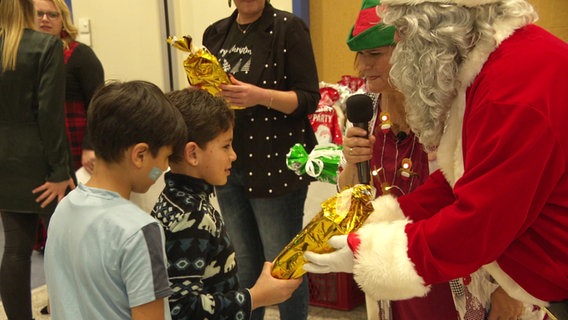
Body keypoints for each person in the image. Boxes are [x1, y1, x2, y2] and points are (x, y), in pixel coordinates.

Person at [304, 0, 568, 319]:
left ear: (432, 29)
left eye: (402, 35)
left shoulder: (510, 89)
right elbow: (458, 177)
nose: (363, 65)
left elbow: (481, 222)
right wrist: (385, 220)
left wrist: (375, 253)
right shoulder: (490, 66)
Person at [338, 1, 458, 319]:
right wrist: (352, 162)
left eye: (374, 55)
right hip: (390, 265)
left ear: (410, 52)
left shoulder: (449, 110)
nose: (362, 67)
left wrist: (503, 289)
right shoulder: (366, 110)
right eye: (360, 56)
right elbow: (352, 197)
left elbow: (492, 199)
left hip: (447, 265)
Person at [202, 1, 320, 319]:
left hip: (278, 166)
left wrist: (260, 96)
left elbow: (309, 99)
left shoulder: (289, 28)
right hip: (229, 164)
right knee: (243, 265)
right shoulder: (215, 34)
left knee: (282, 268)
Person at [151, 89, 302, 319]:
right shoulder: (190, 217)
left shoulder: (178, 199)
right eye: (226, 146)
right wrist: (257, 296)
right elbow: (181, 309)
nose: (233, 155)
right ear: (193, 153)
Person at [44, 80, 188, 320]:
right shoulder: (140, 231)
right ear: (140, 155)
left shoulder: (64, 208)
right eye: (165, 157)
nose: (163, 168)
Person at [0, 0, 75, 318]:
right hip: (41, 165)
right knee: (67, 248)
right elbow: (49, 115)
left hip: (4, 161)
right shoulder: (45, 45)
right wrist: (60, 169)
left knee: (15, 249)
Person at [34, 0, 104, 173]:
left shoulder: (81, 55)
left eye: (52, 15)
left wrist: (90, 146)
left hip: (75, 145)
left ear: (63, 20)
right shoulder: (20, 56)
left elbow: (99, 104)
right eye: (39, 14)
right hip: (37, 147)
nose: (45, 19)